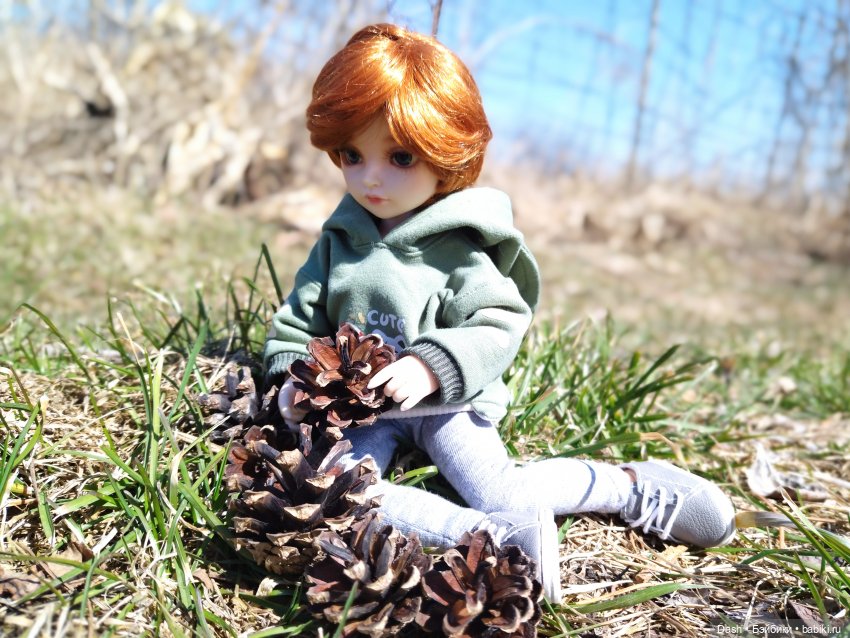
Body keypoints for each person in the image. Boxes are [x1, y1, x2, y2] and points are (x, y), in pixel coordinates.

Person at [263, 23, 736, 602]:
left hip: (450, 403)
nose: (371, 177)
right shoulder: (339, 240)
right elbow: (297, 320)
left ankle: (627, 488)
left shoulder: (460, 246)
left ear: (446, 153)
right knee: (342, 491)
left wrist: (434, 366)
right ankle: (487, 538)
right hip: (363, 413)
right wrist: (294, 379)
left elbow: (498, 321)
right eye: (351, 155)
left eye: (400, 156)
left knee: (499, 484)